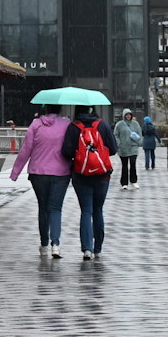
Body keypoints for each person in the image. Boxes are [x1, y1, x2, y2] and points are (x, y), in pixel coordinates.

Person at [9, 106, 74, 258]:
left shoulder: (36, 125)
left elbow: (26, 149)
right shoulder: (66, 125)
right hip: (61, 173)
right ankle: (56, 244)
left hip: (38, 173)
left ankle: (44, 244)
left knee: (43, 208)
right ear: (60, 110)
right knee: (56, 208)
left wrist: (15, 172)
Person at [61, 107, 117, 260]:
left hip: (81, 175)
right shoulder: (103, 125)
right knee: (98, 210)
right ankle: (98, 248)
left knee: (86, 211)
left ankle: (87, 249)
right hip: (102, 175)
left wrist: (80, 155)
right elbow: (113, 149)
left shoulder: (73, 127)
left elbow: (66, 151)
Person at [113, 109, 142, 190]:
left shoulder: (135, 124)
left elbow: (140, 133)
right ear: (124, 115)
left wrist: (139, 142)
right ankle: (124, 183)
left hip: (133, 147)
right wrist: (119, 143)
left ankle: (133, 181)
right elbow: (115, 134)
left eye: (129, 114)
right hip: (123, 148)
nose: (128, 116)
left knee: (133, 164)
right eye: (126, 115)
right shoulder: (119, 124)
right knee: (124, 165)